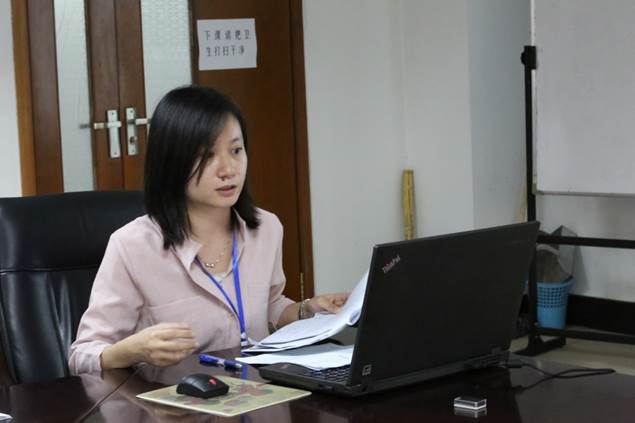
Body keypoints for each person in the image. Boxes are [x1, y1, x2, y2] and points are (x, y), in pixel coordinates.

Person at [69, 85, 349, 374]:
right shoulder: (132, 245)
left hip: (258, 392)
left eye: (236, 150)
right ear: (172, 163)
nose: (228, 169)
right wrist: (133, 350)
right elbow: (82, 355)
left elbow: (268, 306)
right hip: (173, 397)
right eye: (206, 156)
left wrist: (307, 309)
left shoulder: (266, 228)